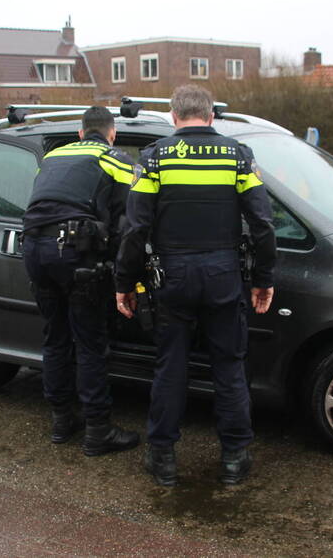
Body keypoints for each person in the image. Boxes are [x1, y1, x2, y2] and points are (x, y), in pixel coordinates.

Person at [115, 85, 276, 486]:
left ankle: (163, 458)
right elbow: (263, 224)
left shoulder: (153, 159)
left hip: (173, 277)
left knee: (171, 367)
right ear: (211, 117)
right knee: (229, 367)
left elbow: (135, 228)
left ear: (173, 117)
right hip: (224, 275)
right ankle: (235, 458)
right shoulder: (238, 156)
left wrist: (125, 282)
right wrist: (264, 278)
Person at [22, 105, 140, 457]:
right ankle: (98, 431)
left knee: (55, 339)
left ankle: (61, 421)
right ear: (112, 132)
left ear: (80, 132)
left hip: (33, 250)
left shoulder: (53, 157)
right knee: (89, 344)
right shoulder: (114, 158)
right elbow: (131, 218)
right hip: (75, 254)